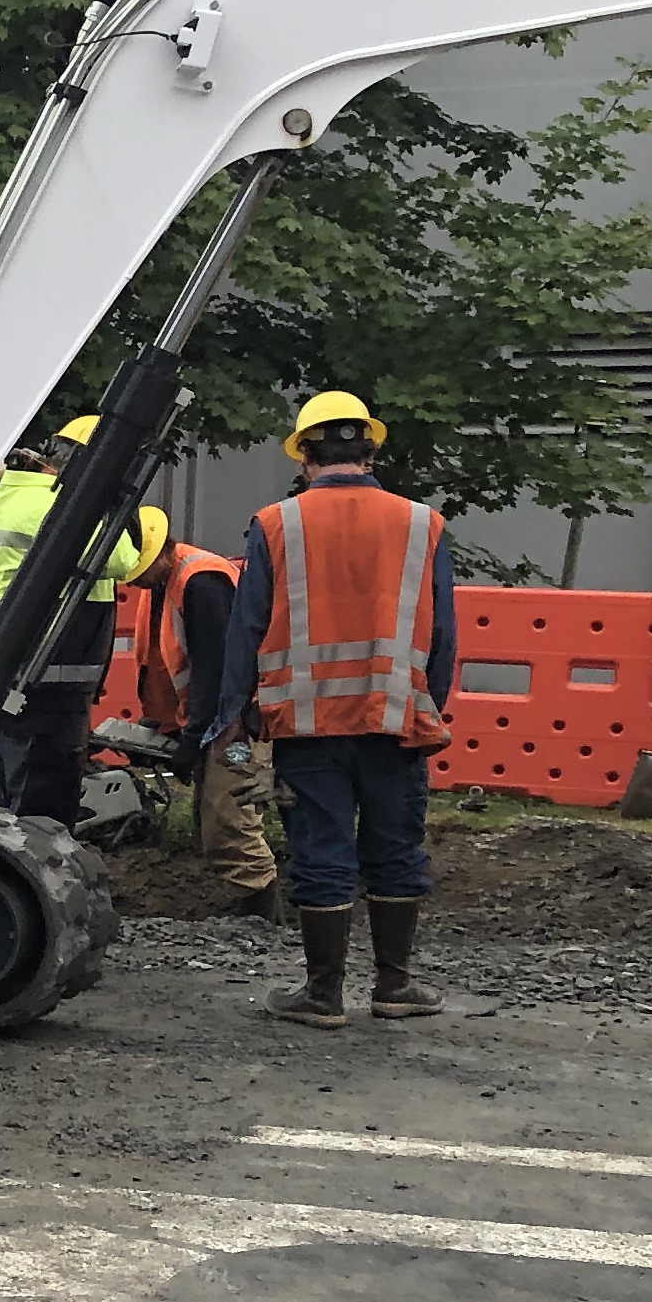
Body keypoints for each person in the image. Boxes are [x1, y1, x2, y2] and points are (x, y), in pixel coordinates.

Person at [205, 389, 456, 1026]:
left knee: (320, 848)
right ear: (370, 450)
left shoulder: (276, 523)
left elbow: (247, 627)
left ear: (305, 455)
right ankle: (394, 986)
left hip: (308, 720)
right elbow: (445, 634)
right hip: (396, 718)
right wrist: (431, 708)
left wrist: (234, 716)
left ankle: (323, 995)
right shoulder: (423, 523)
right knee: (396, 847)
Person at [0, 415, 150, 825]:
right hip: (58, 656)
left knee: (13, 758)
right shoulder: (65, 507)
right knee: (46, 777)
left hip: (15, 653)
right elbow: (125, 559)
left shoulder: (4, 499)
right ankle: (39, 860)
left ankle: (7, 841)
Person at [125, 504, 275, 916]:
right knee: (218, 816)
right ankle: (256, 908)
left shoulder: (201, 583)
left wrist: (190, 741)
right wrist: (161, 725)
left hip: (236, 724)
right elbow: (164, 662)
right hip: (213, 720)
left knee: (230, 818)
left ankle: (264, 915)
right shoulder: (168, 581)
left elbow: (218, 672)